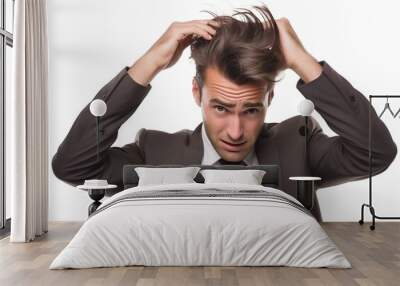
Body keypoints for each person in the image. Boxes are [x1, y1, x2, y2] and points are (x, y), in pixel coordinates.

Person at [52, 5, 397, 221]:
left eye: (250, 109)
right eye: (220, 107)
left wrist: (303, 62)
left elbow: (376, 153)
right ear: (196, 93)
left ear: (270, 98)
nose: (235, 131)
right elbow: (73, 167)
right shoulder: (155, 151)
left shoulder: (298, 144)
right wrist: (150, 63)